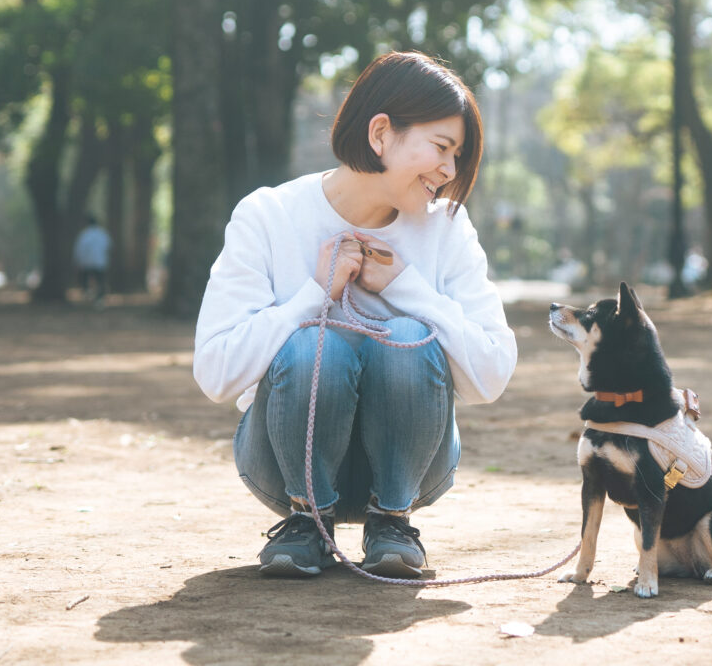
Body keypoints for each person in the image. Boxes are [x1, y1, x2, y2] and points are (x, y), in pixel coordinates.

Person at [193, 51, 516, 579]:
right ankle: (306, 521)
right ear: (382, 133)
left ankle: (392, 520)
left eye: (457, 157)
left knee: (409, 334)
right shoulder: (268, 216)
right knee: (312, 341)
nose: (449, 171)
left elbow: (492, 376)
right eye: (441, 148)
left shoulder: (447, 228)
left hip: (414, 468)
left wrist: (408, 289)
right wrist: (309, 297)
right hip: (279, 462)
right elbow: (214, 373)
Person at [72, 214, 112, 305]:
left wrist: (77, 261)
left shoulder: (84, 234)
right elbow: (109, 247)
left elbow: (79, 249)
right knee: (100, 280)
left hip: (86, 262)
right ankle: (99, 299)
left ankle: (87, 295)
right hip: (100, 261)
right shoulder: (103, 234)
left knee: (85, 279)